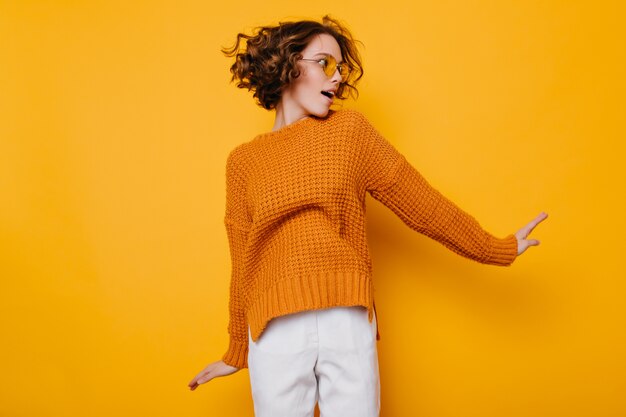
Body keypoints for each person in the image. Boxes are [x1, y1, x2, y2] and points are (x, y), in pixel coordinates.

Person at [188, 15, 548, 417]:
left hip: (347, 318)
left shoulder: (350, 132)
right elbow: (243, 262)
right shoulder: (243, 162)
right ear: (287, 64)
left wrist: (495, 248)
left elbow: (421, 203)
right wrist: (237, 349)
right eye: (325, 63)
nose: (337, 77)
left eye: (341, 68)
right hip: (274, 330)